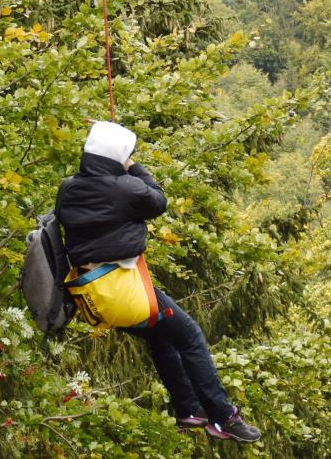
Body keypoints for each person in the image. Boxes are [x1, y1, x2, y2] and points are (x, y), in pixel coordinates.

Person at [56, 120, 262, 443]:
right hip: (123, 291)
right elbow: (158, 200)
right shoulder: (126, 188)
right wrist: (132, 166)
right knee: (191, 335)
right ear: (117, 156)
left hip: (92, 295)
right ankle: (223, 417)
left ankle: (189, 408)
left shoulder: (69, 187)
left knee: (161, 336)